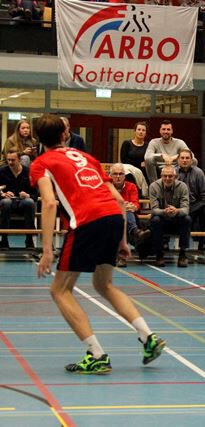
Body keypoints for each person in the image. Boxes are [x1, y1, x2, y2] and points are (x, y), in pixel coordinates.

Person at [30, 114, 165, 374]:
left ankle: (97, 355)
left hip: (87, 222)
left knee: (59, 290)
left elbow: (48, 202)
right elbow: (118, 199)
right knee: (104, 284)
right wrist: (122, 238)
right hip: (113, 218)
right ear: (64, 135)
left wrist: (47, 250)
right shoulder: (87, 158)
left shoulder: (41, 163)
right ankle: (148, 337)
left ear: (39, 139)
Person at [149, 166, 191, 268]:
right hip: (162, 221)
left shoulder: (183, 186)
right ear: (161, 176)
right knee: (155, 219)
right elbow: (154, 209)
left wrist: (176, 211)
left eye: (170, 176)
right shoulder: (154, 186)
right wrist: (164, 212)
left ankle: (183, 254)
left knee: (187, 219)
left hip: (177, 221)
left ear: (175, 177)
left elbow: (186, 209)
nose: (167, 178)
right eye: (165, 176)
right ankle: (159, 255)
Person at [109, 163, 151, 268]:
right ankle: (135, 231)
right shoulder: (107, 187)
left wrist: (132, 206)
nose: (118, 176)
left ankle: (121, 257)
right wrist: (121, 206)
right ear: (110, 176)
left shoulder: (131, 186)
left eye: (120, 174)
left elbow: (136, 204)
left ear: (124, 176)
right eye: (115, 174)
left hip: (129, 216)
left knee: (125, 217)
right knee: (122, 218)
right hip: (110, 216)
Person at [177, 148, 205, 252]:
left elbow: (204, 195)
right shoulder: (173, 172)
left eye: (187, 158)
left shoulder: (198, 173)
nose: (184, 160)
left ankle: (203, 243)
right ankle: (165, 243)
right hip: (178, 206)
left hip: (195, 205)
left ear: (192, 160)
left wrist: (200, 205)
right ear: (178, 160)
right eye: (182, 158)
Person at [0, 149, 37, 249]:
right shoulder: (2, 171)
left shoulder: (28, 172)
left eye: (13, 160)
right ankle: (4, 240)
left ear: (19, 159)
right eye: (8, 160)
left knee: (29, 202)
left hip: (22, 201)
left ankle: (29, 240)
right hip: (7, 201)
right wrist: (3, 194)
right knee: (6, 202)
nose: (10, 162)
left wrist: (27, 195)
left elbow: (35, 194)